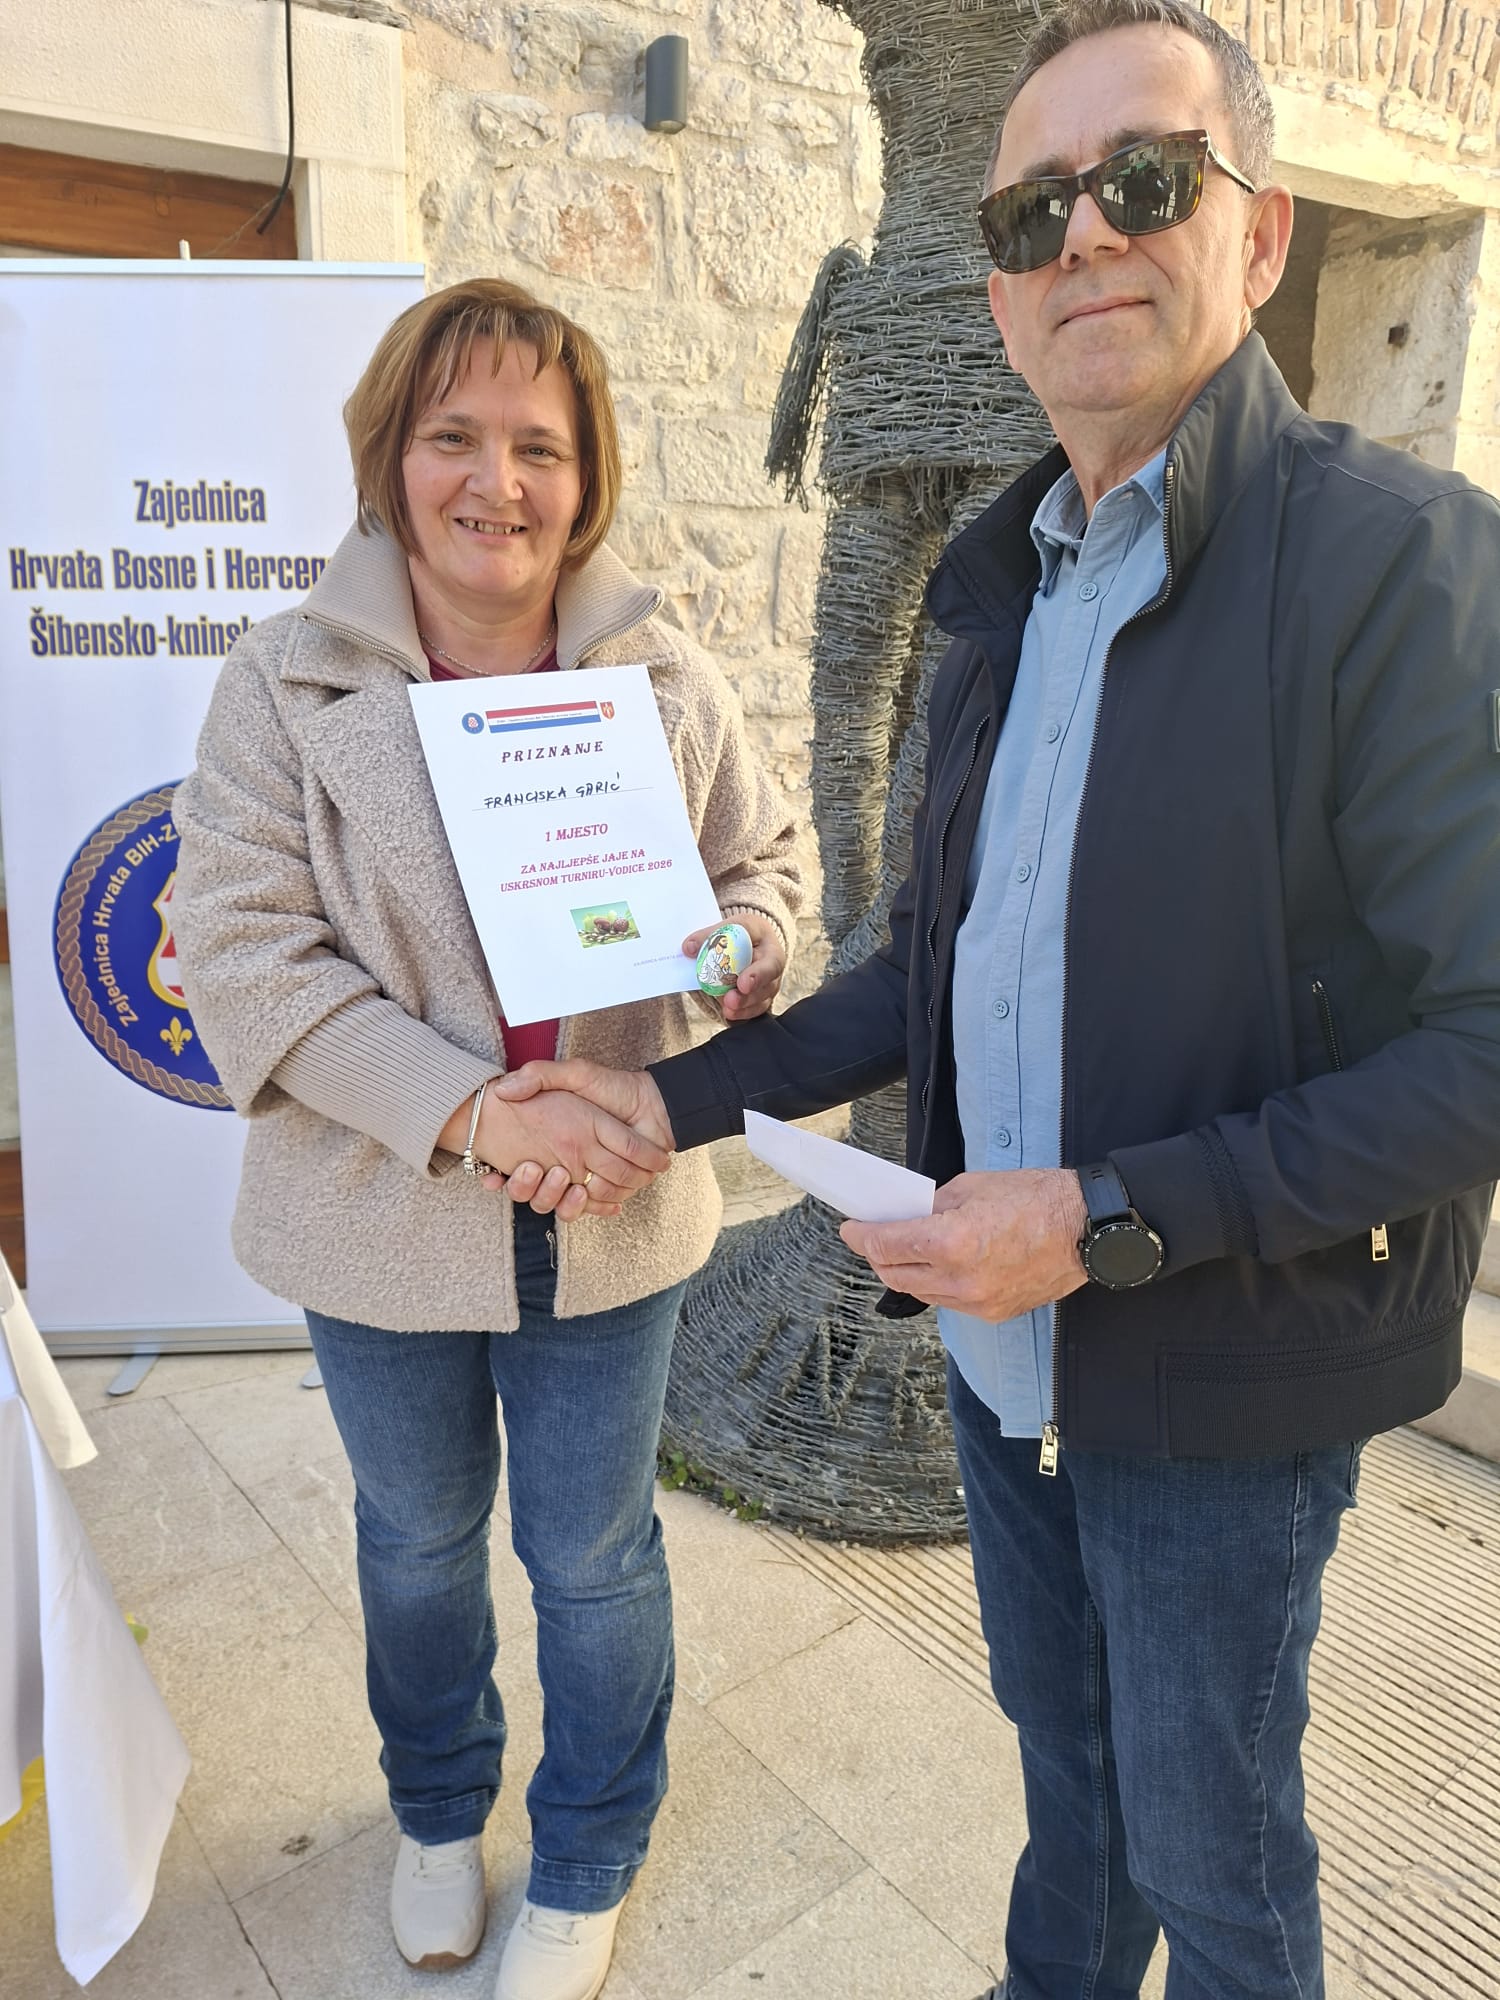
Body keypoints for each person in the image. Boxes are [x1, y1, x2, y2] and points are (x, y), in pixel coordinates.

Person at [493, 5, 1500, 1994]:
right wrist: (664, 1105)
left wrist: (1109, 1214)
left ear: (1261, 235)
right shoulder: (1001, 592)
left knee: (1215, 1867)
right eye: (1034, 211)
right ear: (997, 297)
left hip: (1218, 1379)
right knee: (1070, 1786)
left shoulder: (1405, 568)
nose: (1086, 236)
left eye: (1145, 181)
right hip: (999, 1359)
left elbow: (1482, 1048)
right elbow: (927, 973)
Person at [170, 277, 802, 2000]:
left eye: (540, 445)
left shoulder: (657, 671)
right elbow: (242, 951)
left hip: (609, 1202)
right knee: (416, 1541)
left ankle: (588, 1848)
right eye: (454, 436)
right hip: (380, 1206)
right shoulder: (282, 682)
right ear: (391, 456)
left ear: (586, 480)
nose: (496, 482)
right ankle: (439, 1810)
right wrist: (464, 1107)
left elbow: (762, 866)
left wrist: (747, 950)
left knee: (594, 1558)